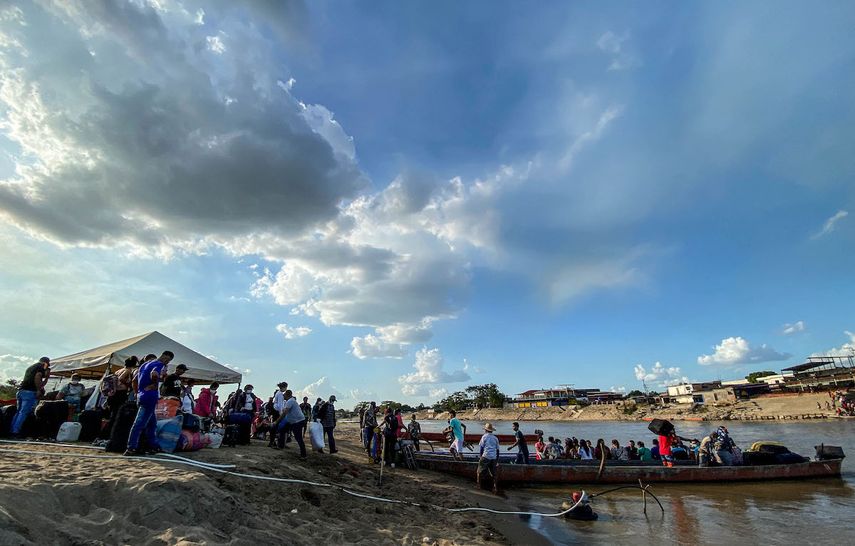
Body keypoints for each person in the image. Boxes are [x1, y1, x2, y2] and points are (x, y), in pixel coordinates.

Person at [125, 350, 173, 456]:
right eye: (168, 361)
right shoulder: (160, 364)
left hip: (141, 395)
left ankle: (153, 446)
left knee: (152, 424)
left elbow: (134, 380)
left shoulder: (144, 365)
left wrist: (138, 392)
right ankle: (131, 447)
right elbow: (154, 374)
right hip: (150, 396)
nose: (167, 363)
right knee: (139, 423)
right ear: (166, 358)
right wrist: (155, 382)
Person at [11, 357, 51, 437]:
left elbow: (40, 382)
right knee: (23, 413)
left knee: (19, 412)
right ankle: (16, 432)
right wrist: (38, 390)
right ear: (46, 363)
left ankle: (12, 429)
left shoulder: (31, 367)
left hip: (21, 391)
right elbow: (38, 376)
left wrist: (46, 377)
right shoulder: (40, 367)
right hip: (29, 392)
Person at [273, 390, 307, 458]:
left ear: (287, 395)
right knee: (283, 430)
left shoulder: (290, 401)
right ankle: (281, 446)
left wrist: (277, 421)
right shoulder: (289, 401)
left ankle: (303, 455)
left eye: (284, 395)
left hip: (297, 422)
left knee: (298, 438)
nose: (283, 396)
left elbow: (284, 413)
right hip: (292, 421)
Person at [477, 423, 500, 493]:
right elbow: (498, 450)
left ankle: (479, 485)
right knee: (494, 474)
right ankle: (495, 487)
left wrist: (480, 457)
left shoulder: (484, 437)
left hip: (486, 456)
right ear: (491, 431)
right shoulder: (495, 438)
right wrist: (497, 460)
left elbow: (481, 448)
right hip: (493, 457)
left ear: (486, 430)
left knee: (479, 472)